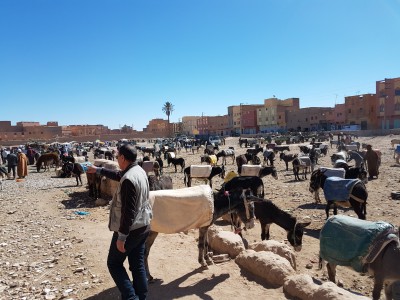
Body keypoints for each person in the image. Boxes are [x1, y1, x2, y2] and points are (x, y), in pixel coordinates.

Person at [87, 144, 152, 300]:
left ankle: (131, 298)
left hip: (131, 230)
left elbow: (128, 212)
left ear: (123, 157)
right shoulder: (138, 170)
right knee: (137, 265)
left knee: (114, 264)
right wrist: (98, 170)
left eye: (117, 157)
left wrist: (122, 237)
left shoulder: (129, 179)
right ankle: (141, 296)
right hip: (144, 225)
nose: (117, 159)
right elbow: (119, 175)